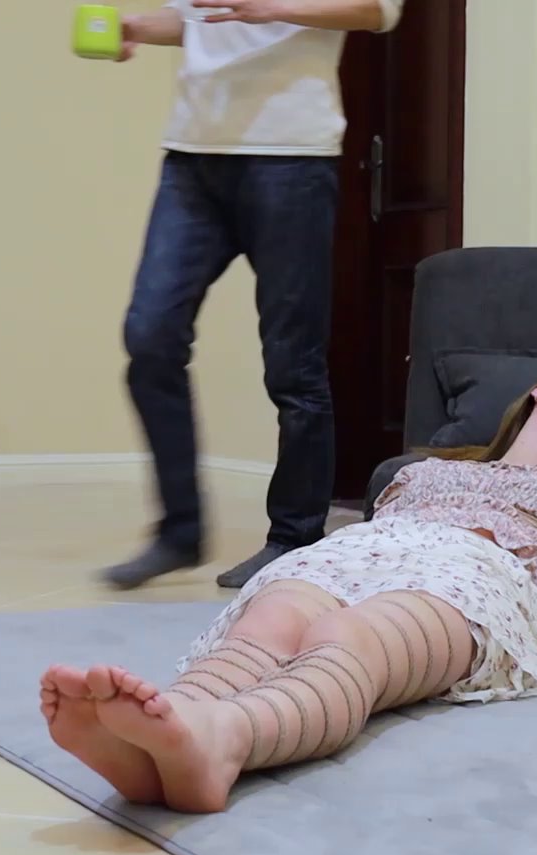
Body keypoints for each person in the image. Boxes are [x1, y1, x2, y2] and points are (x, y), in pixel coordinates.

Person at [41, 361, 537, 812]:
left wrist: (528, 583)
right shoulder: (421, 471)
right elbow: (377, 531)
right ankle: (164, 736)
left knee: (347, 635)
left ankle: (224, 739)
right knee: (274, 618)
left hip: (475, 578)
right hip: (359, 554)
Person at [99, 0, 407, 591]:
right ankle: (179, 533)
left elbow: (379, 11)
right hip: (192, 161)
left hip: (291, 161)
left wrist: (272, 8)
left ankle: (293, 537)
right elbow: (201, 18)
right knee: (150, 337)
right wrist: (138, 27)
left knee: (293, 364)